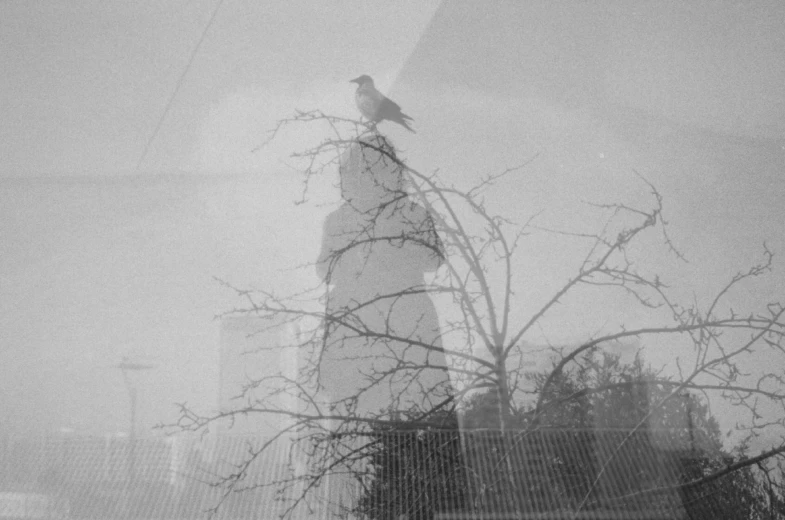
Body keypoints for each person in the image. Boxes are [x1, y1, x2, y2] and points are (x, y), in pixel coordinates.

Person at [315, 134, 452, 420]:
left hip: (394, 322)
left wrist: (387, 254)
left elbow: (434, 258)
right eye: (363, 168)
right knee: (366, 420)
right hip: (366, 324)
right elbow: (324, 270)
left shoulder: (410, 215)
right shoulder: (342, 219)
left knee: (408, 415)